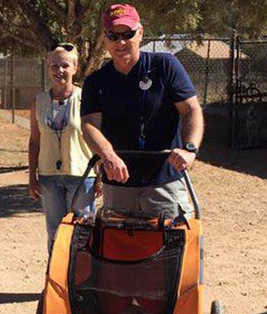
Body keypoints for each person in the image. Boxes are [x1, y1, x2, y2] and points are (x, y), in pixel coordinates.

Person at [80, 4, 204, 219]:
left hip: (164, 182)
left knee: (174, 246)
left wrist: (189, 149)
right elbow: (89, 125)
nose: (121, 42)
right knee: (116, 249)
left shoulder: (165, 66)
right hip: (118, 184)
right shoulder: (95, 81)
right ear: (105, 37)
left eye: (127, 34)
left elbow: (191, 109)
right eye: (113, 35)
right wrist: (108, 156)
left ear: (140, 33)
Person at [28, 42, 97, 252]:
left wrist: (101, 174)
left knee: (82, 230)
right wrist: (32, 175)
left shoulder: (87, 99)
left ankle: (82, 282)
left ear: (75, 68)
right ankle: (56, 281)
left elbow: (98, 137)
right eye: (55, 66)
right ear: (48, 68)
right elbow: (35, 140)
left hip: (82, 176)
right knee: (55, 232)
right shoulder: (39, 101)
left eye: (65, 66)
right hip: (49, 176)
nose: (60, 71)